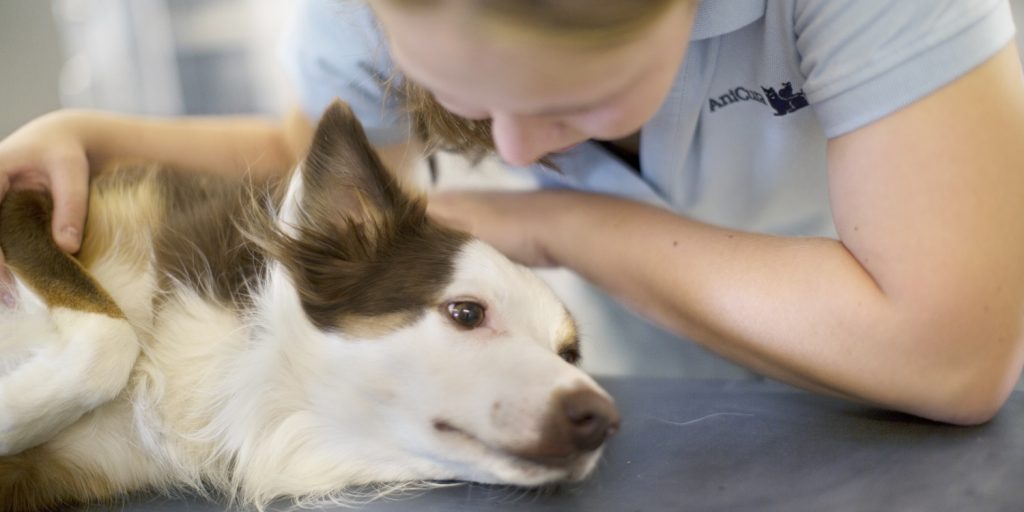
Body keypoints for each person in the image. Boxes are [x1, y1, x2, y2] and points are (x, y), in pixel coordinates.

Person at [1, 0, 1023, 425]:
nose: (525, 149)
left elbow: (952, 354)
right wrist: (96, 135)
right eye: (464, 101)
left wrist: (557, 227)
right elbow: (314, 152)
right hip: (659, 363)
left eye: (574, 104)